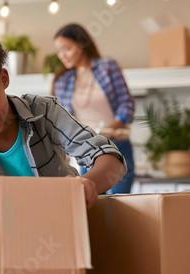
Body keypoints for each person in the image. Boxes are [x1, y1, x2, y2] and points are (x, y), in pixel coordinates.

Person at [0, 24, 126, 208]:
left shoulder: (43, 111)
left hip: (63, 225)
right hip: (8, 239)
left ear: (3, 79)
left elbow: (113, 163)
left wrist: (86, 183)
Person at [51, 23, 135, 194]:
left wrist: (111, 128)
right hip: (88, 151)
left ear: (81, 44)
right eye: (59, 50)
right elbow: (62, 122)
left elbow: (127, 104)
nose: (62, 55)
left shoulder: (107, 67)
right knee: (91, 204)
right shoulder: (62, 81)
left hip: (116, 144)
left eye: (67, 48)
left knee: (120, 203)